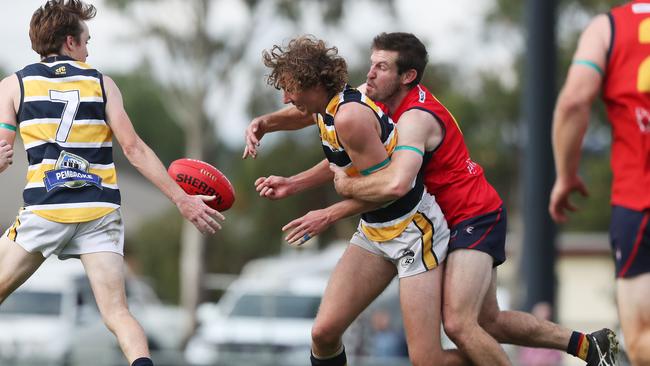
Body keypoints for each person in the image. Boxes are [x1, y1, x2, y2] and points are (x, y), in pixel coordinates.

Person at [246, 32, 618, 366]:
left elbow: (393, 187)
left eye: (382, 67)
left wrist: (330, 210)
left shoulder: (414, 119)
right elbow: (326, 136)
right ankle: (587, 346)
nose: (370, 74)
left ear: (407, 77)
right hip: (393, 224)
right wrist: (266, 127)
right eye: (371, 64)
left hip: (464, 214)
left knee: (460, 325)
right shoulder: (358, 101)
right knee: (482, 322)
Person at [0, 2, 224, 366]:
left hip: (46, 210)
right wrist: (182, 200)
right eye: (86, 40)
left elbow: (3, 150)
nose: (89, 49)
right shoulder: (101, 83)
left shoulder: (13, 85)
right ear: (70, 41)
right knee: (118, 315)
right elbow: (134, 149)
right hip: (99, 211)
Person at [259, 35, 463, 366]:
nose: (285, 97)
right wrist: (291, 183)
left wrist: (326, 215)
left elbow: (384, 190)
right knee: (323, 334)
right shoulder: (326, 111)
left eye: (289, 88)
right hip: (376, 230)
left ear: (312, 84)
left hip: (413, 231)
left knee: (427, 361)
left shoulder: (349, 117)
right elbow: (340, 163)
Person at [550, 2, 650, 365]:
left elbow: (574, 101)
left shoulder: (608, 28)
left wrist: (565, 174)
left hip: (640, 200)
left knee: (640, 340)